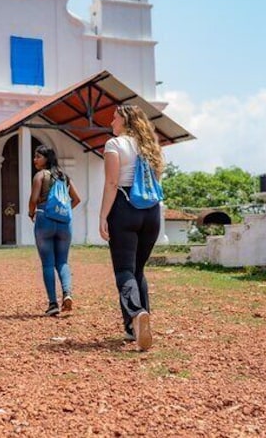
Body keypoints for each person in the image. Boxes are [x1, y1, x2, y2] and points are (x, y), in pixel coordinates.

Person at [98, 105, 164, 351]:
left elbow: (112, 182)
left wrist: (103, 216)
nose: (111, 121)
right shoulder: (150, 146)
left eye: (114, 117)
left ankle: (136, 314)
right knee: (139, 270)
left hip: (125, 208)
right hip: (152, 212)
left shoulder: (114, 145)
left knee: (124, 270)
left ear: (125, 121)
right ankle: (134, 326)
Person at [27, 145, 81, 316]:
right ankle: (67, 293)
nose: (35, 160)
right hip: (65, 223)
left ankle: (53, 304)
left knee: (48, 263)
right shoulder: (64, 177)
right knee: (63, 262)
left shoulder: (40, 175)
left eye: (38, 157)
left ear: (46, 158)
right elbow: (77, 199)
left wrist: (31, 213)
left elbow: (33, 199)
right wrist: (64, 211)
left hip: (44, 220)